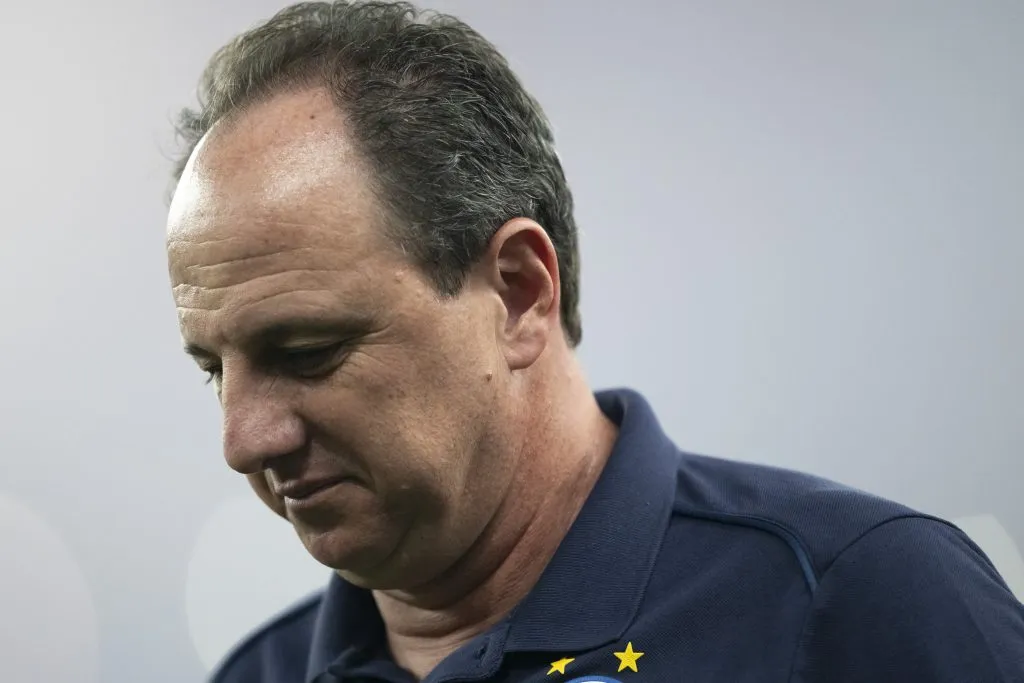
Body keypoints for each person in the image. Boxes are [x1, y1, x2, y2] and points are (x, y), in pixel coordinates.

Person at [164, 2, 1024, 681]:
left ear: (520, 293)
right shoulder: (257, 673)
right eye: (215, 369)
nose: (244, 441)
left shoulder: (855, 601)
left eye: (308, 350)